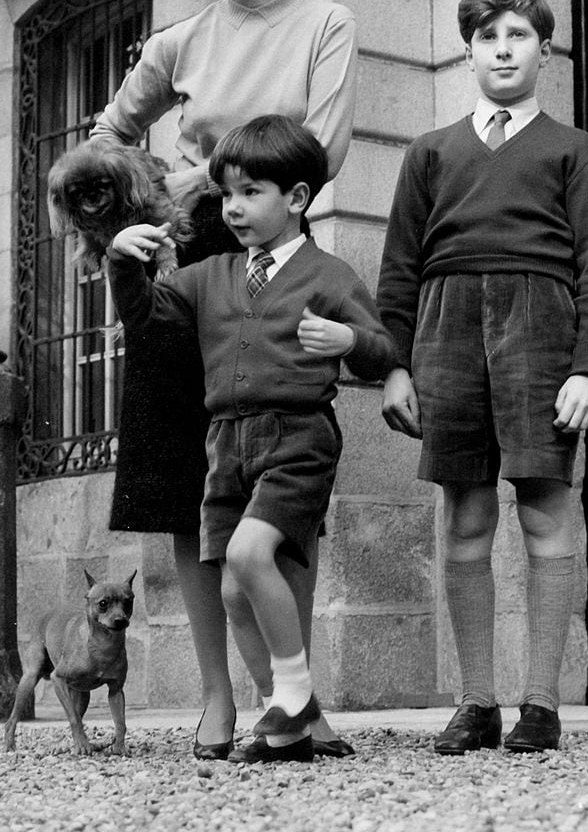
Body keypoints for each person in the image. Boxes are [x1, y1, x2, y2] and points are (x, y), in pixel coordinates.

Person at [89, 0, 357, 759]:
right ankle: (217, 700)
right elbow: (104, 141)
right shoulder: (180, 40)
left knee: (287, 475)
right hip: (186, 260)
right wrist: (135, 206)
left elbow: (317, 152)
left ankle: (299, 697)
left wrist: (210, 172)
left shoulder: (327, 23)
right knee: (182, 482)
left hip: (279, 245)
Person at [106, 114, 398, 762]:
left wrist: (351, 341)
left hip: (297, 438)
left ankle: (290, 693)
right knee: (236, 588)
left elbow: (383, 349)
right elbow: (151, 322)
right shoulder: (212, 275)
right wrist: (122, 267)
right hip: (226, 446)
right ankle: (290, 720)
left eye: (249, 192)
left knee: (248, 556)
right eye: (225, 194)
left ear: (296, 198)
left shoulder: (328, 274)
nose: (232, 208)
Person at [376, 0, 588, 755]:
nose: (503, 48)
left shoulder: (573, 149)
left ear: (546, 49)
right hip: (446, 329)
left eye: (518, 35)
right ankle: (476, 699)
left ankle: (540, 702)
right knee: (467, 512)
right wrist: (394, 365)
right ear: (468, 51)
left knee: (546, 506)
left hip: (541, 325)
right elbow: (400, 269)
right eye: (488, 37)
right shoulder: (430, 151)